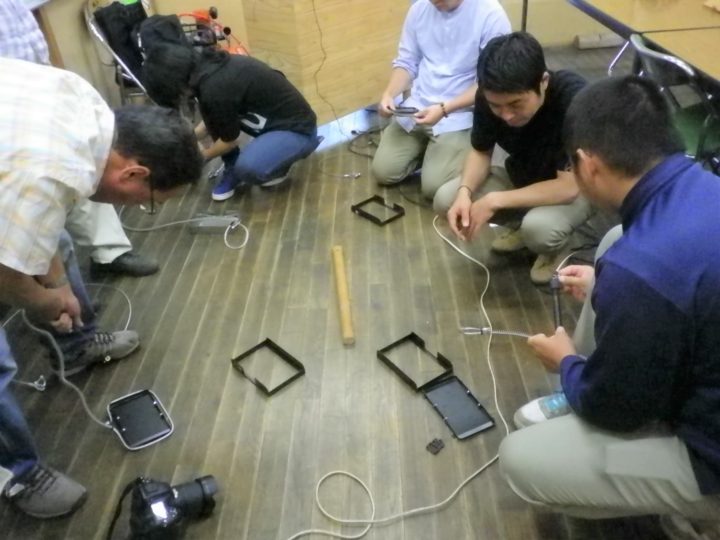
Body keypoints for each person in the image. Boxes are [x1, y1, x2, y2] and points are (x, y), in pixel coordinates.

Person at [499, 75, 720, 539]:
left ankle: (702, 516)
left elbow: (618, 410)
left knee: (519, 457)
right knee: (613, 243)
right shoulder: (703, 185)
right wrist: (613, 285)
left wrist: (567, 364)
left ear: (588, 164)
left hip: (710, 456)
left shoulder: (641, 270)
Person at [0, 56, 203, 519]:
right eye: (148, 203)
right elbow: (4, 272)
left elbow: (40, 217)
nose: (141, 209)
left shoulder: (86, 106)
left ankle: (75, 346)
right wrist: (44, 301)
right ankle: (16, 473)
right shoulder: (48, 173)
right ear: (133, 174)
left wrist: (56, 284)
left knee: (58, 242)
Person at [437, 32, 616, 284]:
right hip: (525, 175)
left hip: (580, 188)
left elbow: (567, 188)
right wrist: (464, 192)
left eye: (515, 104)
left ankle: (551, 248)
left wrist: (494, 201)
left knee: (539, 230)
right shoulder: (488, 97)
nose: (506, 115)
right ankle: (523, 227)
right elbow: (480, 151)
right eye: (496, 106)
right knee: (448, 199)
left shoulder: (572, 99)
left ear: (543, 82)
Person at [0, 0, 159, 278]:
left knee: (91, 166)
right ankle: (54, 284)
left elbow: (34, 39)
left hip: (41, 88)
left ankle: (109, 253)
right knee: (42, 221)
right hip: (12, 111)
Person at [142, 43, 319, 201]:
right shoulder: (206, 70)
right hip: (271, 124)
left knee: (248, 168)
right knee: (232, 149)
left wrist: (199, 158)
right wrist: (187, 139)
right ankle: (247, 161)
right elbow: (215, 118)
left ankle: (278, 164)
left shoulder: (215, 87)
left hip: (298, 129)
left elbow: (229, 140)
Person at [371, 0, 510, 200]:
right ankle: (429, 152)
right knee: (383, 172)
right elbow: (407, 62)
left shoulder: (490, 14)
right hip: (418, 107)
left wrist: (445, 108)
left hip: (458, 114)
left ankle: (446, 154)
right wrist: (389, 94)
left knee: (433, 188)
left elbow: (490, 82)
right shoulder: (419, 9)